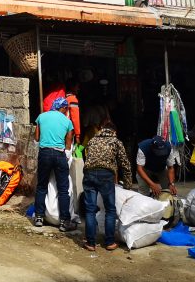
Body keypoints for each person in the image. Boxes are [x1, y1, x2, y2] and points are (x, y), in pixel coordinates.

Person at [81, 118, 132, 251]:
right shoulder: (116, 141)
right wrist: (127, 185)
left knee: (90, 209)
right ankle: (109, 242)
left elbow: (87, 158)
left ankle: (90, 243)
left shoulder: (92, 140)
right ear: (114, 131)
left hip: (89, 174)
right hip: (106, 175)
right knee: (110, 209)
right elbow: (125, 164)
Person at [32, 96, 76, 232]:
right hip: (59, 154)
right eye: (66, 109)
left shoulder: (41, 117)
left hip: (44, 154)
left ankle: (39, 217)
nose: (66, 111)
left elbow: (37, 137)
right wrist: (67, 157)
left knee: (41, 186)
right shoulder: (67, 121)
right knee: (63, 189)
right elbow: (68, 144)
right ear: (62, 108)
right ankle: (64, 221)